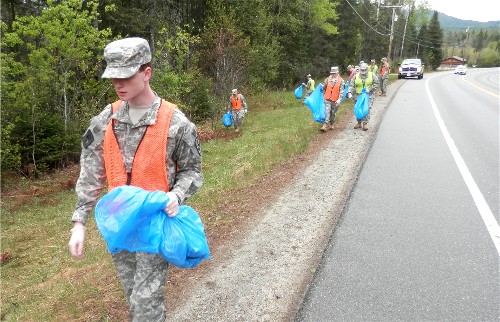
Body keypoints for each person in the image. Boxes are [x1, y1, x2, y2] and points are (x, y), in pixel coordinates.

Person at [67, 37, 203, 321]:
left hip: (154, 223)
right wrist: (79, 223)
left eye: (126, 75)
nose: (119, 83)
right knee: (134, 296)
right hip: (119, 224)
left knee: (145, 302)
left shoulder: (175, 123)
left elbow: (192, 171)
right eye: (114, 76)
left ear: (147, 72)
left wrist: (176, 196)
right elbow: (91, 171)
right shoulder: (106, 119)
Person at [348, 62, 379, 131]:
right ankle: (359, 123)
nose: (363, 73)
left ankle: (365, 124)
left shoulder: (372, 75)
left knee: (366, 108)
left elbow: (376, 83)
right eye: (362, 70)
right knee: (358, 108)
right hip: (358, 95)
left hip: (368, 95)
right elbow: (351, 85)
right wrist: (350, 92)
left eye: (364, 70)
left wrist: (370, 89)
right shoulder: (356, 76)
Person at [321, 66, 345, 131]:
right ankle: (325, 125)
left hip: (335, 100)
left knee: (333, 113)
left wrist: (339, 99)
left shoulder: (341, 81)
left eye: (334, 73)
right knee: (327, 111)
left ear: (337, 73)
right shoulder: (327, 79)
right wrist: (321, 87)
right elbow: (323, 86)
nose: (333, 74)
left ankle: (332, 124)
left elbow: (342, 91)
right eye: (332, 73)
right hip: (327, 99)